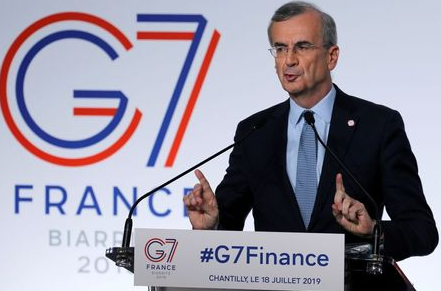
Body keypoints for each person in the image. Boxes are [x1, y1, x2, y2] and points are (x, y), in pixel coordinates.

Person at [183, 1, 438, 261]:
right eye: (280, 49)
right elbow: (227, 224)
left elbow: (422, 231)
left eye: (302, 47)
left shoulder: (378, 126)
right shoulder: (255, 132)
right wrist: (210, 226)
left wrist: (374, 232)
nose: (289, 60)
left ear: (332, 56)